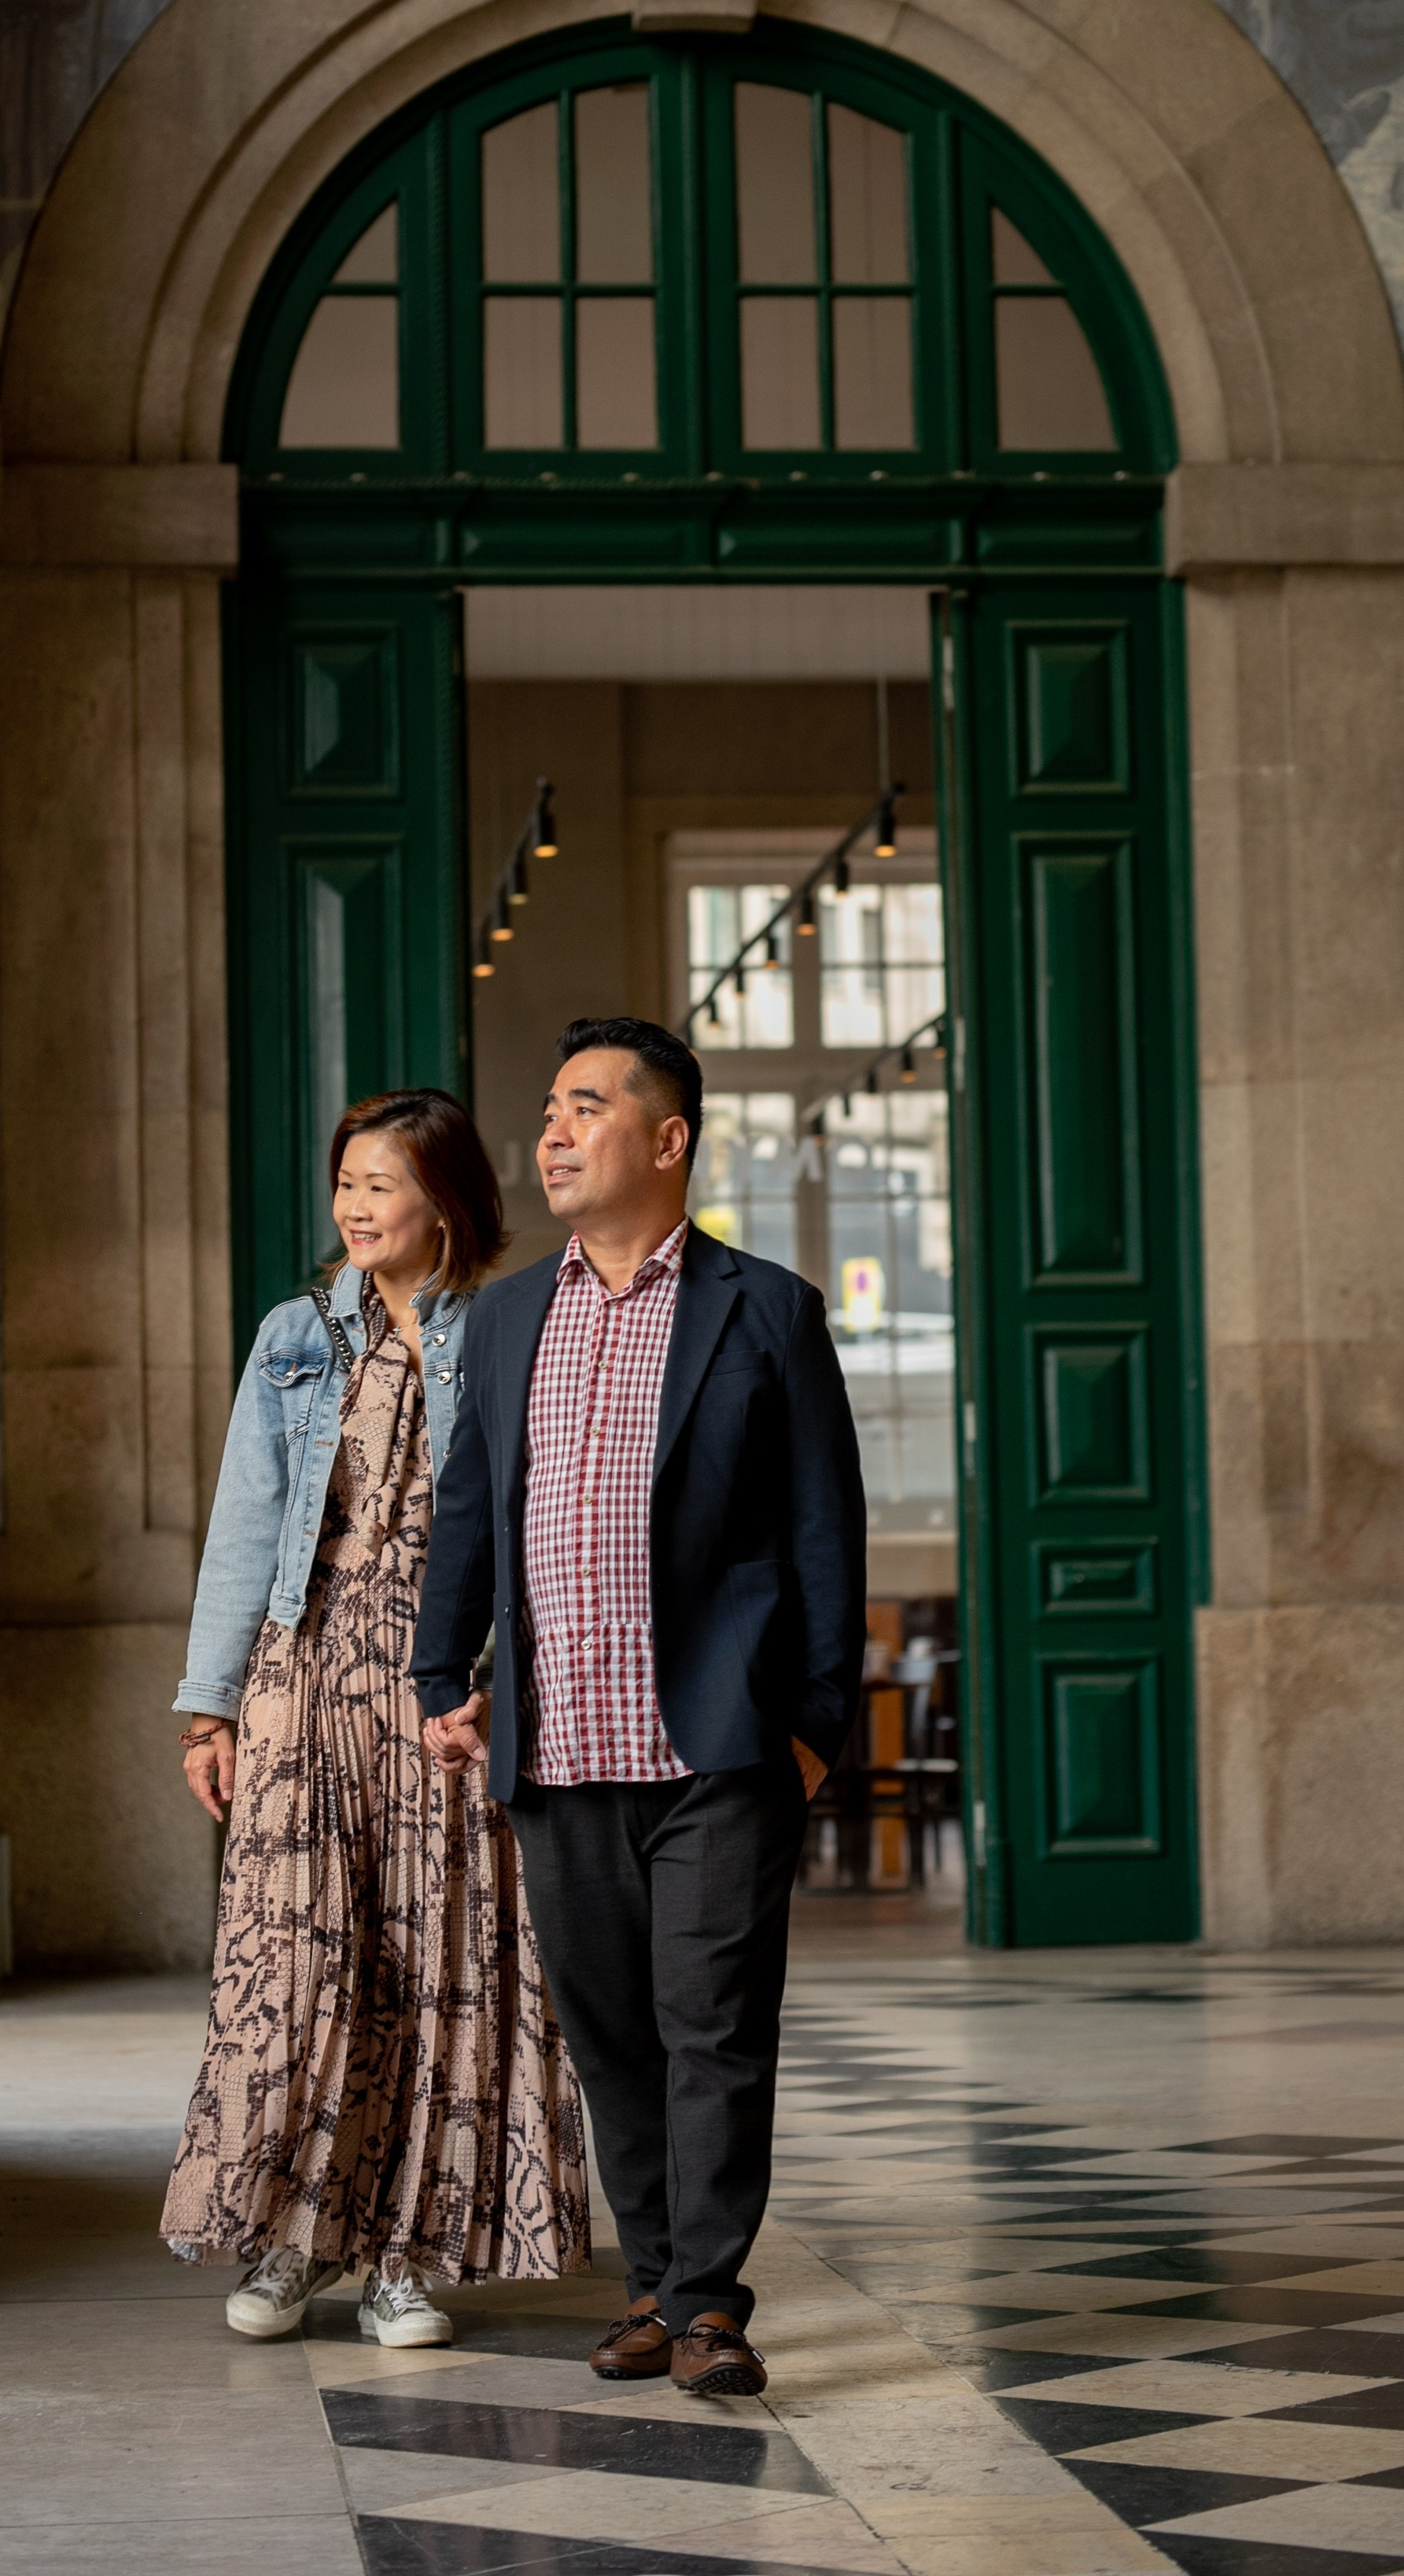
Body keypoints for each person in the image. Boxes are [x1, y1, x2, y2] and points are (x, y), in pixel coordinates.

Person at [413, 1016, 864, 2397]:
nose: (550, 1133)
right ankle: (658, 2285)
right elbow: (470, 1513)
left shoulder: (764, 1309)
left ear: (667, 1140)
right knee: (613, 2034)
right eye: (546, 1109)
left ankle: (715, 2303)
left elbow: (820, 1530)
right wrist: (442, 1676)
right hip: (558, 1747)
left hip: (718, 1743)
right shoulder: (503, 1318)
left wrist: (812, 1729)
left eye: (585, 1107)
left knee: (712, 2025)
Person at [161, 1088, 588, 2348]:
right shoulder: (294, 1335)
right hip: (303, 1670)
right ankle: (291, 2240)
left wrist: (515, 1684)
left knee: (432, 1957)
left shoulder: (510, 1328)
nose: (354, 1206)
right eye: (344, 1183)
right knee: (294, 1961)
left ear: (445, 1201)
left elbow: (532, 1524)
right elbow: (245, 1526)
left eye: (381, 1184)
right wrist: (209, 1710)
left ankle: (406, 2253)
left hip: (443, 1680)